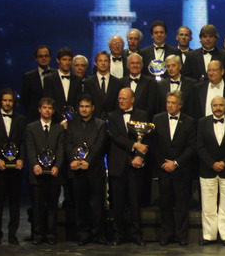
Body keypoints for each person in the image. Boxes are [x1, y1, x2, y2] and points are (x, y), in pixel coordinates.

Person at [150, 91, 196, 246]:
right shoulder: (157, 119)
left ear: (180, 105)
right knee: (165, 204)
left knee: (182, 205)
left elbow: (191, 147)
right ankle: (166, 234)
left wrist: (176, 163)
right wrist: (163, 163)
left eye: (173, 103)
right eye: (168, 102)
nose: (170, 105)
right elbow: (154, 145)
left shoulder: (189, 121)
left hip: (181, 170)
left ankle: (182, 235)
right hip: (164, 170)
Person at [107, 87, 150, 245]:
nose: (121, 101)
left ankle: (136, 234)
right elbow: (115, 136)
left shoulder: (142, 115)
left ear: (132, 99)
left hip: (135, 165)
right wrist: (134, 145)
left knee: (134, 202)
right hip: (117, 164)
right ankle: (118, 234)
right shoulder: (111, 116)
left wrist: (139, 156)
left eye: (124, 98)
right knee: (117, 203)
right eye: (119, 98)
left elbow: (146, 139)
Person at [0, 88, 27, 245]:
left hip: (15, 168)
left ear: (14, 102)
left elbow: (23, 141)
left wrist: (21, 159)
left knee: (15, 203)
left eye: (10, 100)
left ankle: (12, 235)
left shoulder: (21, 120)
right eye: (5, 100)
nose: (7, 103)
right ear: (0, 102)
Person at [196, 95, 225, 245]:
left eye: (221, 105)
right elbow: (200, 147)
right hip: (208, 169)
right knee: (208, 205)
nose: (218, 108)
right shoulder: (202, 123)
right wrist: (212, 163)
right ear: (211, 107)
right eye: (215, 105)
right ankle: (209, 235)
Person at [65, 94, 107, 245]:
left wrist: (88, 161)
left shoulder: (100, 124)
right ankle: (83, 234)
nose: (84, 109)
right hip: (77, 171)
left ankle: (98, 234)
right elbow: (68, 144)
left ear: (93, 108)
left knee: (97, 205)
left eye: (87, 106)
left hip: (94, 170)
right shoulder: (71, 124)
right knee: (80, 204)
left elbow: (99, 145)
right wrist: (73, 160)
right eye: (81, 106)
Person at [25, 97, 66, 244]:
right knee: (37, 206)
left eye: (50, 108)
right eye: (44, 107)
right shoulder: (31, 128)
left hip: (54, 174)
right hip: (36, 174)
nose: (47, 110)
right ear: (39, 109)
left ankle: (51, 234)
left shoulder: (59, 128)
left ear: (53, 111)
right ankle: (38, 234)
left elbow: (61, 149)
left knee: (52, 206)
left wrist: (57, 166)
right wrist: (35, 165)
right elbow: (30, 148)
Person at [43, 47, 81, 123]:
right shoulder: (49, 79)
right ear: (58, 60)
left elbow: (78, 102)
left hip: (74, 122)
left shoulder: (77, 80)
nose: (67, 62)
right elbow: (49, 101)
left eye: (69, 60)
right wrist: (62, 120)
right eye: (64, 59)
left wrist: (73, 118)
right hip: (55, 121)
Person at [84, 50, 123, 117]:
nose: (103, 63)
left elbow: (118, 104)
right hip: (93, 121)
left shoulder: (117, 83)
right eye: (100, 61)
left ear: (109, 63)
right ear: (96, 63)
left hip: (112, 121)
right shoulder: (88, 82)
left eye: (105, 61)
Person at [21, 45, 53, 120]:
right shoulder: (28, 77)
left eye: (46, 56)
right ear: (36, 59)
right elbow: (25, 99)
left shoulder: (57, 74)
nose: (44, 58)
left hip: (54, 118)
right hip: (35, 118)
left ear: (50, 57)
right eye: (40, 56)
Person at [125, 52, 159, 117]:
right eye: (132, 63)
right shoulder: (121, 82)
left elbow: (152, 106)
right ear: (127, 66)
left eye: (138, 63)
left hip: (144, 120)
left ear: (142, 65)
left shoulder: (151, 82)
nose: (135, 65)